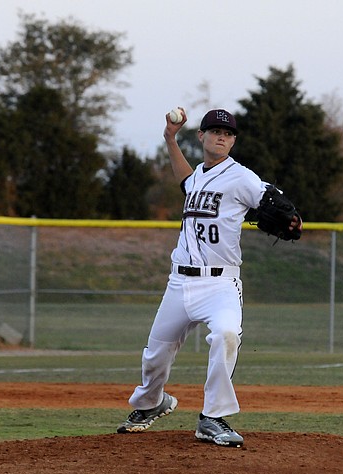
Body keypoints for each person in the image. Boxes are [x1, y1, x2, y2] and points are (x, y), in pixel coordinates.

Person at [117, 108, 301, 446]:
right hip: (180, 283)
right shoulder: (198, 176)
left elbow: (270, 199)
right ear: (200, 136)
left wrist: (289, 217)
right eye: (215, 130)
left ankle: (213, 418)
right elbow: (186, 181)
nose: (222, 136)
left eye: (229, 133)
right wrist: (170, 138)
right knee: (156, 353)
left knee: (227, 335)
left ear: (233, 141)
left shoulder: (241, 176)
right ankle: (151, 403)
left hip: (220, 284)